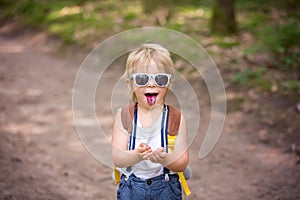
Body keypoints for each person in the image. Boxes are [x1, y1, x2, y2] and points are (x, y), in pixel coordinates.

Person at [111, 43, 189, 200]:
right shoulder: (124, 116)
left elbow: (182, 162)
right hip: (132, 189)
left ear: (169, 83)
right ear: (131, 84)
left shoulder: (176, 119)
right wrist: (137, 155)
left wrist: (165, 159)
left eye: (160, 79)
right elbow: (117, 158)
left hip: (166, 188)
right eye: (142, 79)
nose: (151, 84)